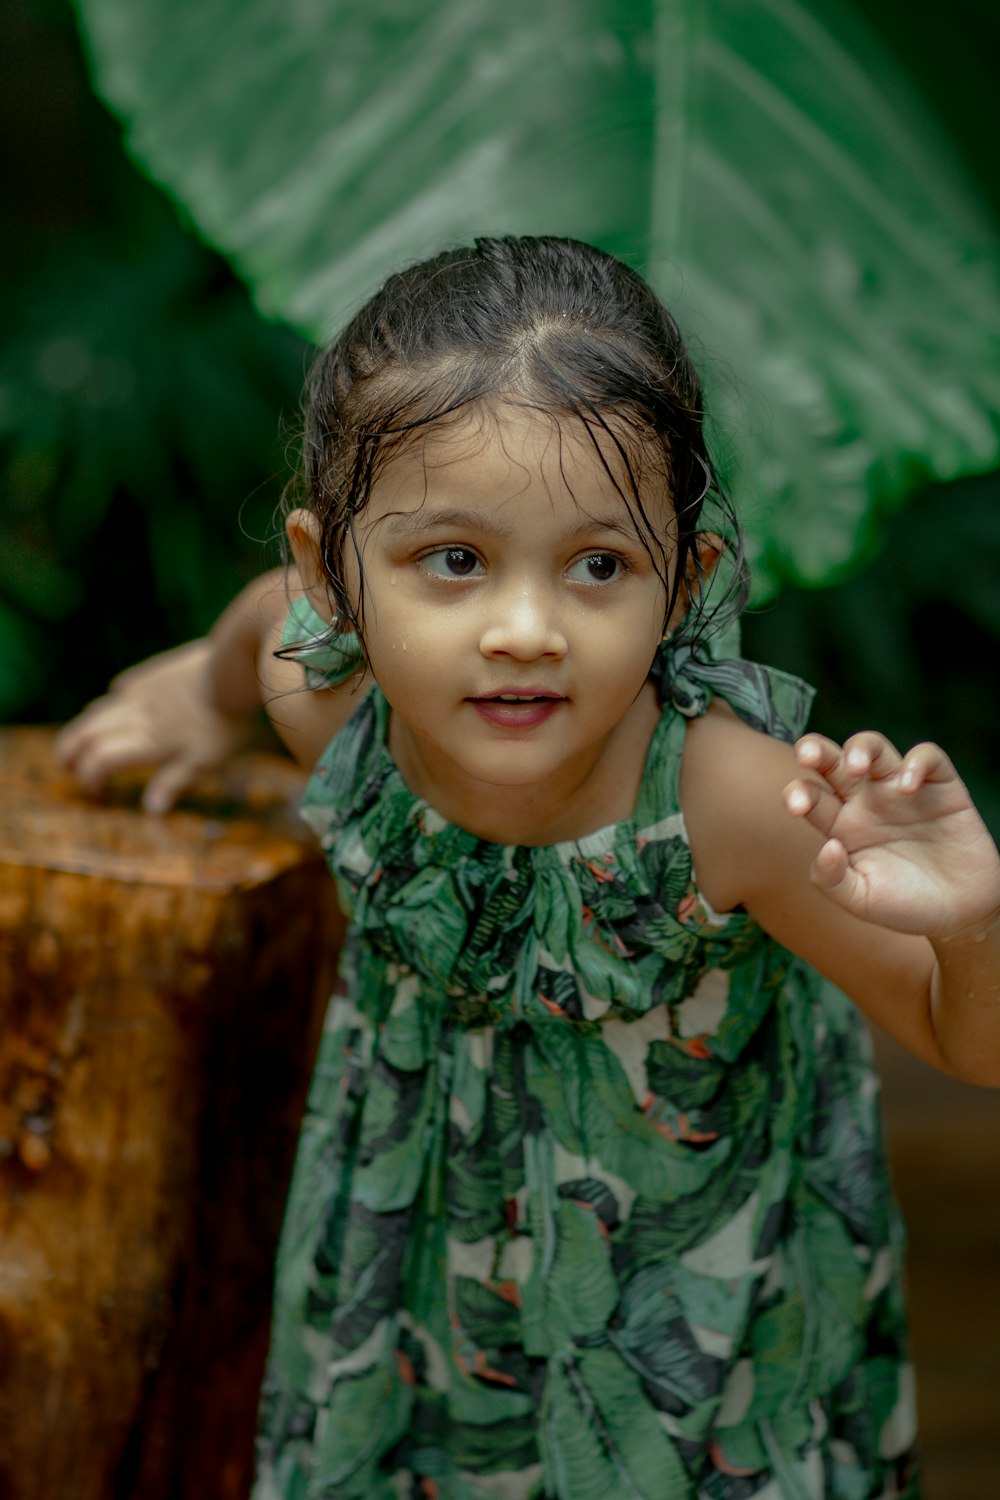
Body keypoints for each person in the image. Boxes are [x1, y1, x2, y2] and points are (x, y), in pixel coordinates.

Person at [57, 236, 1000, 1500]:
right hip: (416, 1269)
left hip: (689, 1338)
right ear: (334, 570)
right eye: (453, 560)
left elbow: (969, 1040)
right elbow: (256, 633)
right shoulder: (327, 700)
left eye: (598, 566)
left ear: (685, 587)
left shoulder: (734, 805)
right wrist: (196, 696)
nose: (523, 631)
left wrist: (972, 926)